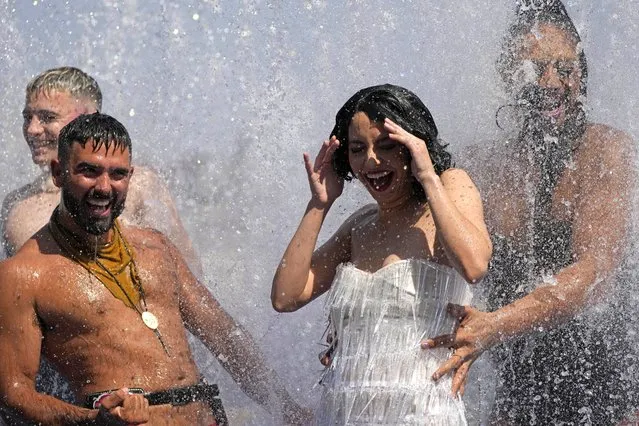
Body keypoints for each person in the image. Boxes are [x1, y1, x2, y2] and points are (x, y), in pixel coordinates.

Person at [0, 113, 308, 424]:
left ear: (130, 177)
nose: (104, 187)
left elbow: (224, 336)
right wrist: (93, 420)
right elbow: (13, 394)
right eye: (89, 172)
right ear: (58, 172)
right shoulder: (24, 275)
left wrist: (287, 408)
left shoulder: (156, 248)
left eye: (117, 174)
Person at [426, 1, 637, 424]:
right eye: (535, 69)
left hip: (609, 389)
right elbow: (423, 244)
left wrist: (493, 325)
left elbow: (593, 272)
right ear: (508, 76)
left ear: (582, 76)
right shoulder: (482, 166)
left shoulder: (604, 152)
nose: (551, 83)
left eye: (565, 69)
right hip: (516, 388)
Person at [271, 84, 492, 425]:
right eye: (358, 149)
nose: (371, 160)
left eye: (387, 146)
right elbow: (286, 297)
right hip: (343, 413)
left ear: (413, 146)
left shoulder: (449, 187)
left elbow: (474, 265)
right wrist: (319, 204)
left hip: (423, 413)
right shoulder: (358, 226)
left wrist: (428, 177)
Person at [2, 66, 202, 277]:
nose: (32, 129)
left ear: (90, 118)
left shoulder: (138, 186)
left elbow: (187, 270)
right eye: (28, 117)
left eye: (47, 117)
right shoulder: (16, 203)